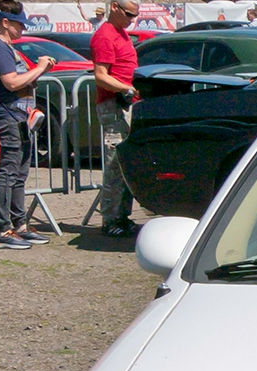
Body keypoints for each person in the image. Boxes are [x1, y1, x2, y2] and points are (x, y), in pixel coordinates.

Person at [0, 0, 57, 249]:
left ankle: (19, 225)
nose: (23, 29)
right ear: (5, 22)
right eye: (19, 24)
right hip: (8, 114)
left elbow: (22, 81)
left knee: (20, 172)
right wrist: (39, 67)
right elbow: (12, 83)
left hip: (20, 115)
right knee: (9, 171)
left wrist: (39, 71)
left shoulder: (7, 47)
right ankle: (2, 231)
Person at [91, 0, 140, 237]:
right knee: (114, 163)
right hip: (113, 105)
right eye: (129, 14)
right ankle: (110, 219)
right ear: (115, 7)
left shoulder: (121, 33)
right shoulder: (105, 35)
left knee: (125, 162)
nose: (133, 19)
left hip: (125, 102)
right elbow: (100, 76)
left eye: (135, 15)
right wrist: (124, 88)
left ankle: (122, 215)